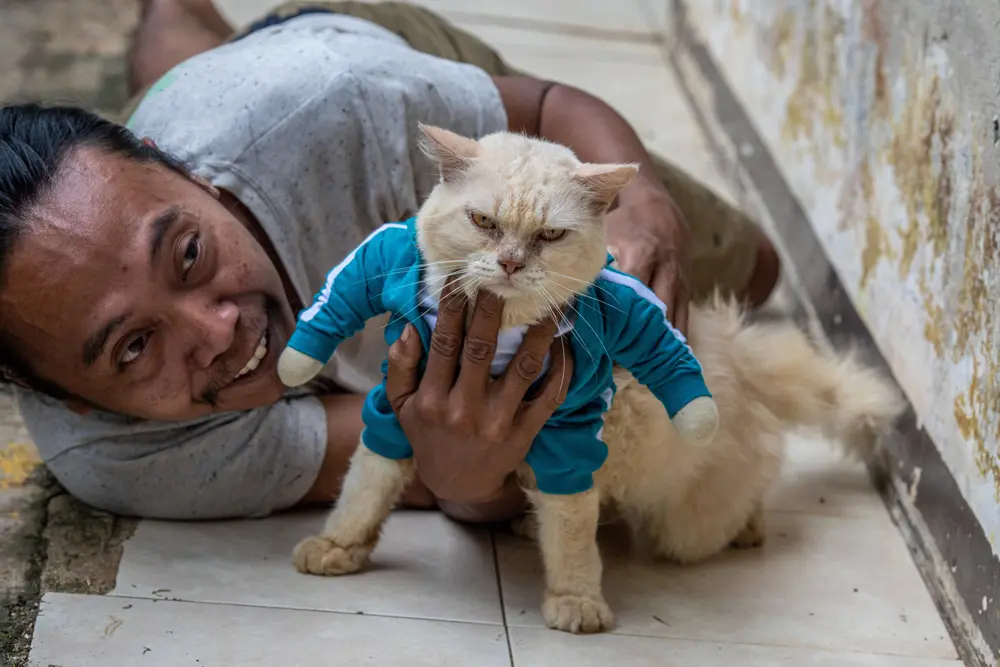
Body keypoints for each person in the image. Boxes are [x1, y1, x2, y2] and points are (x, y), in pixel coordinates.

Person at [0, 0, 779, 521]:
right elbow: (439, 456)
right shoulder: (123, 458)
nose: (222, 328)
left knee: (752, 269)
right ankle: (180, 45)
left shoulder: (347, 104)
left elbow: (547, 108)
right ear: (76, 400)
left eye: (191, 255)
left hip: (348, 57)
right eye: (136, 346)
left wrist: (646, 211)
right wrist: (465, 480)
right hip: (215, 129)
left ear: (177, 168)